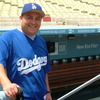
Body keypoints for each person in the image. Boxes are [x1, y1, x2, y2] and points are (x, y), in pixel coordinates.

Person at [0, 3, 52, 100]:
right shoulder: (7, 38)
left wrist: (48, 92)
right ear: (21, 18)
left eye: (37, 19)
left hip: (42, 97)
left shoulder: (41, 41)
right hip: (20, 97)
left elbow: (44, 71)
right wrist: (6, 84)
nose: (33, 22)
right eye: (29, 17)